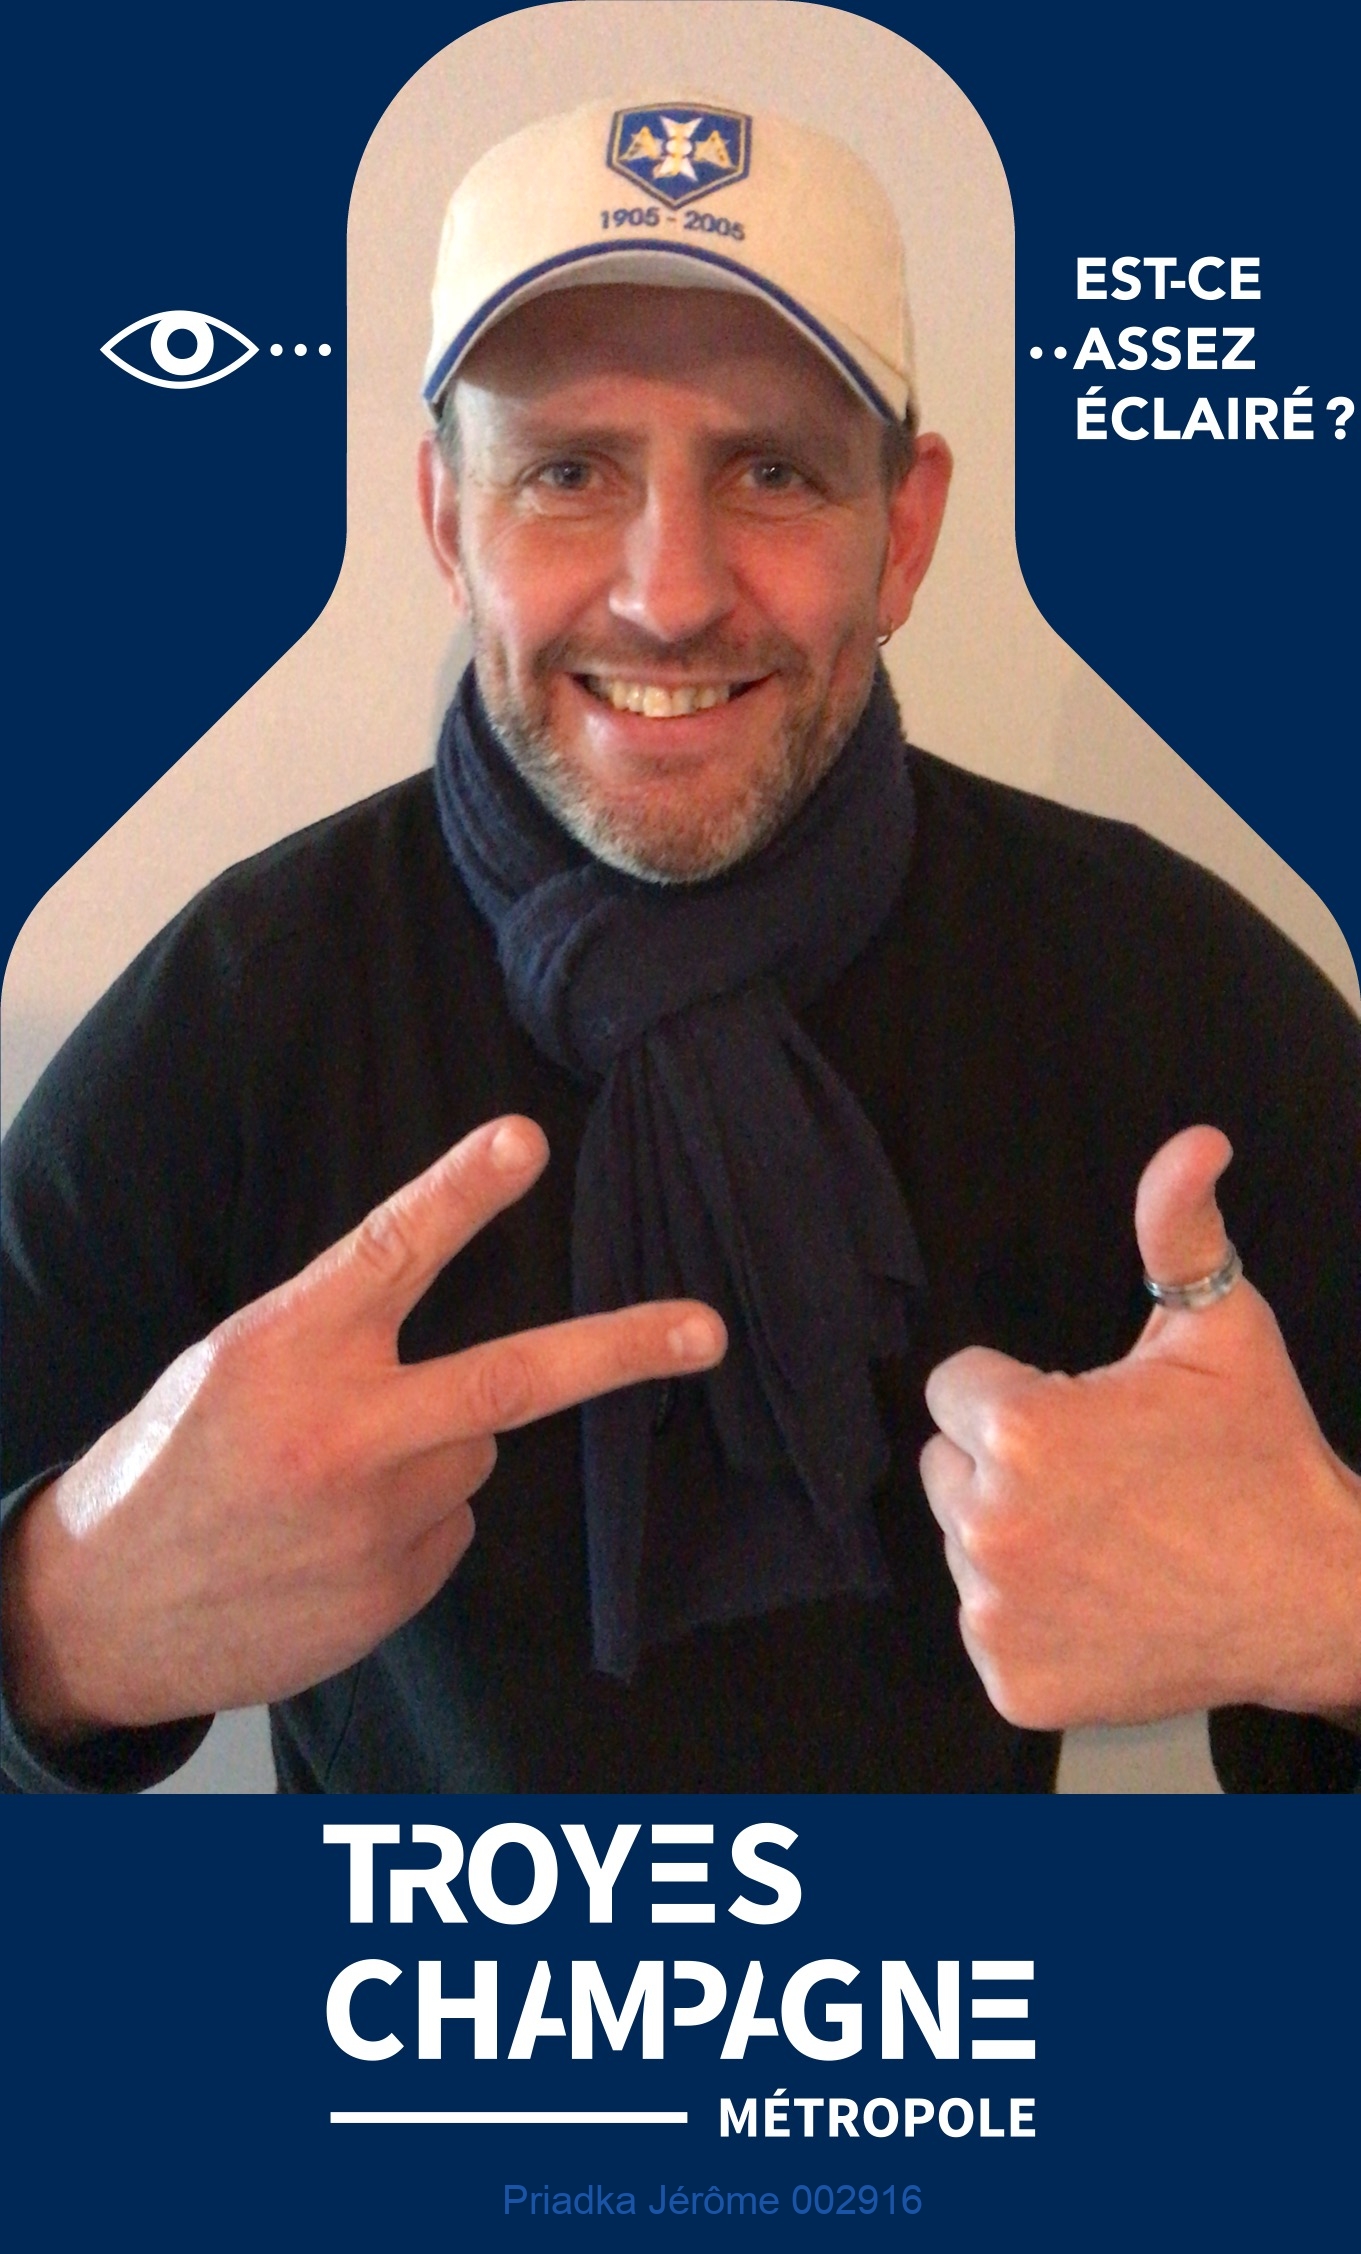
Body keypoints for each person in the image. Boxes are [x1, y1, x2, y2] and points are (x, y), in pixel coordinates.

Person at [2, 97, 1358, 1795]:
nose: (669, 592)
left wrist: (1333, 1611)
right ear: (448, 521)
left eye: (770, 471)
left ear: (903, 530)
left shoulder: (1164, 986)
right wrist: (56, 1621)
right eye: (567, 472)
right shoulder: (240, 1004)